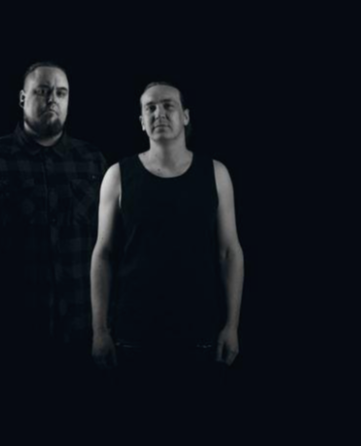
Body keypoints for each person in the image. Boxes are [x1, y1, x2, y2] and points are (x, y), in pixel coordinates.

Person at [90, 81, 245, 410]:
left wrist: (231, 326)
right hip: (133, 334)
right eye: (150, 107)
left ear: (185, 116)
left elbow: (229, 252)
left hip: (201, 332)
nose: (159, 113)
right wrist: (99, 330)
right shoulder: (118, 175)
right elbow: (103, 254)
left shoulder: (216, 173)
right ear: (141, 121)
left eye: (168, 105)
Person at [0, 62, 107, 403]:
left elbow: (111, 248)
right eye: (42, 91)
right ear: (23, 98)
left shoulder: (93, 161)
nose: (52, 99)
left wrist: (107, 325)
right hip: (10, 334)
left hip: (81, 334)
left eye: (61, 92)